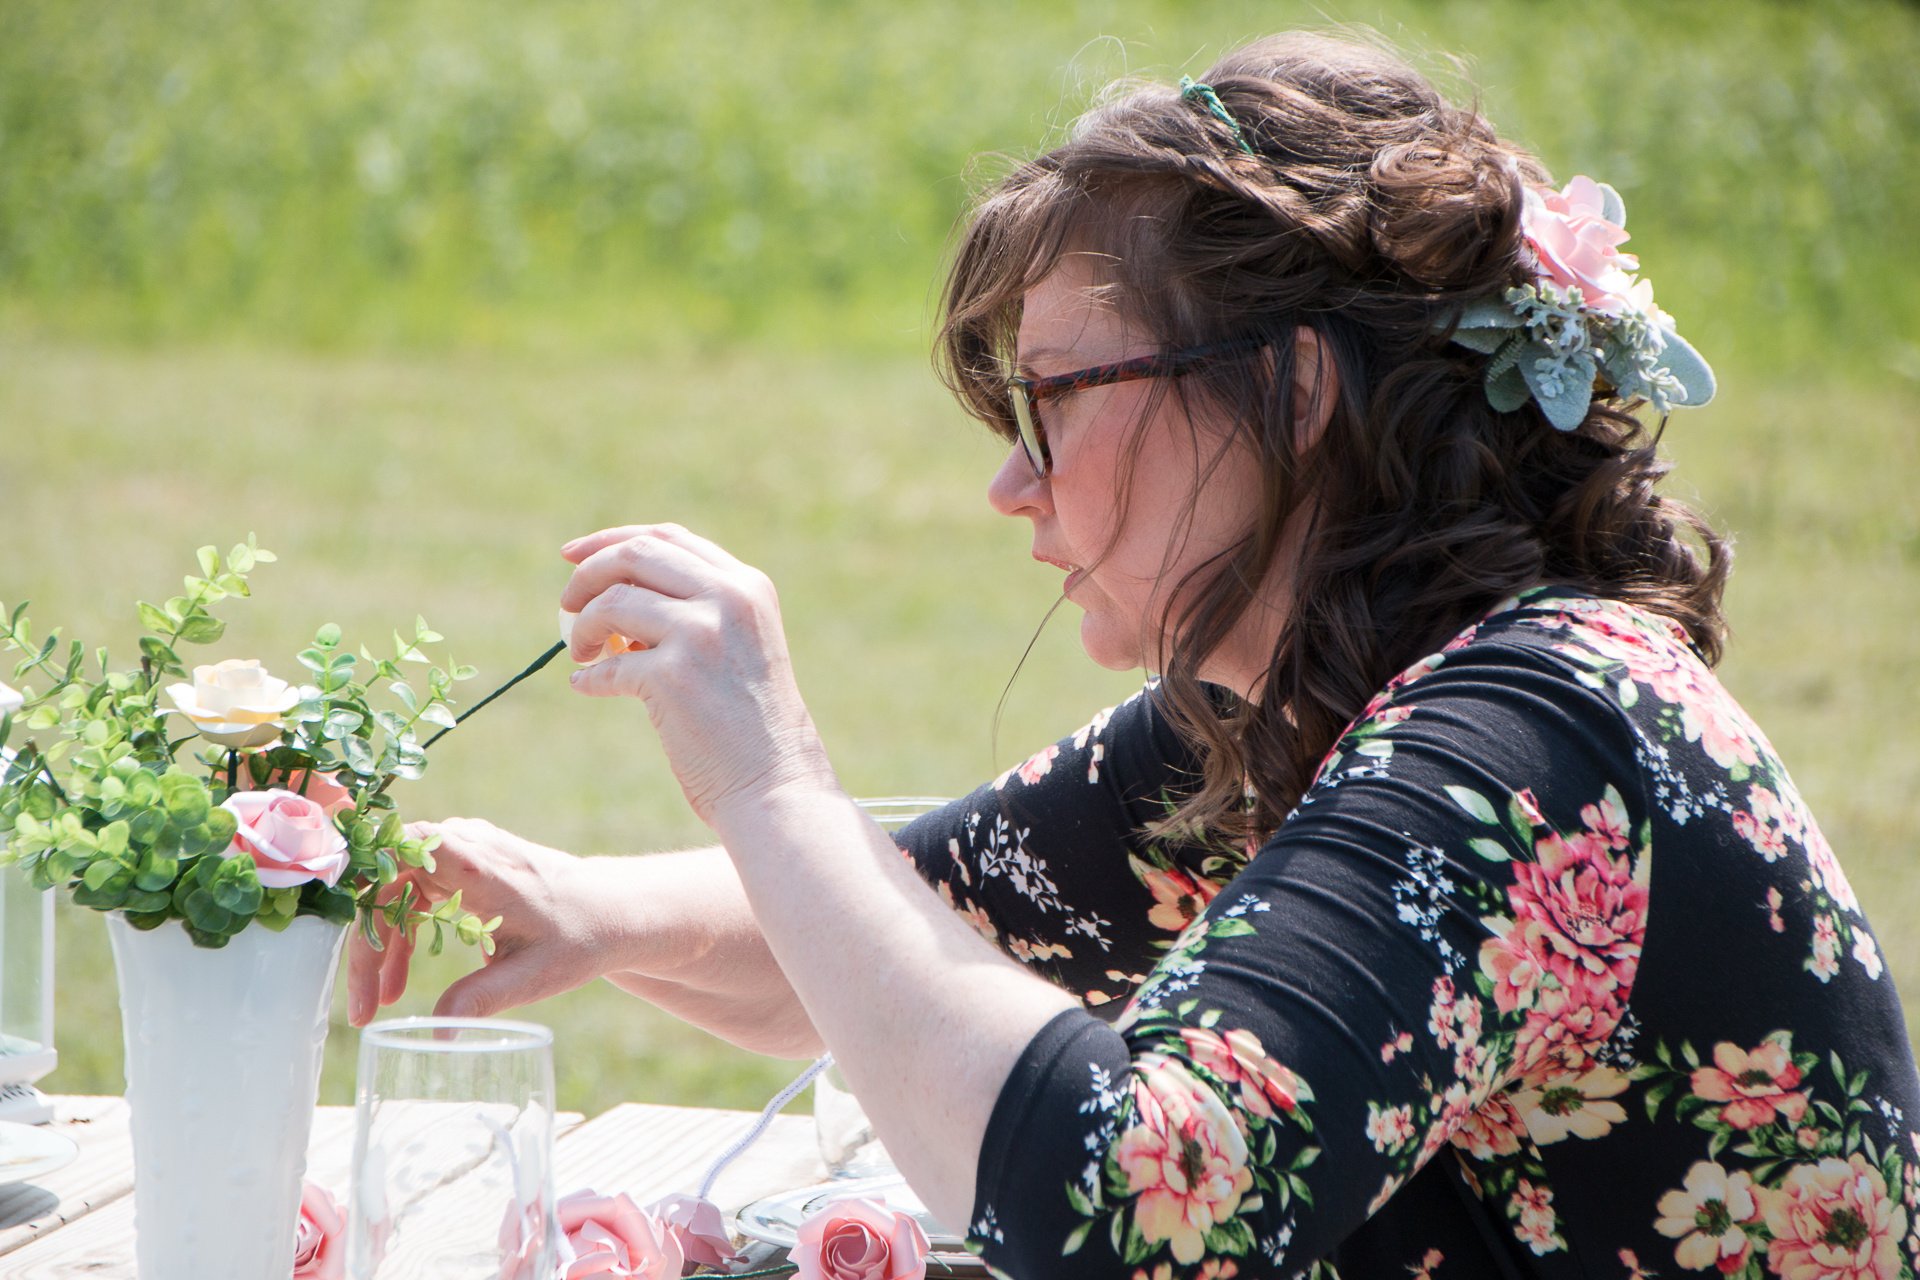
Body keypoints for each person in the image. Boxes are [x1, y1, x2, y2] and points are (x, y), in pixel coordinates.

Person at [348, 32, 1920, 1280]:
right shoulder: (1321, 702)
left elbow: (1129, 1216)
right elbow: (907, 942)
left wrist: (772, 783)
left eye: (1056, 399)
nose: (1010, 484)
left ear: (1294, 391)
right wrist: (590, 910)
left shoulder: (1526, 738)